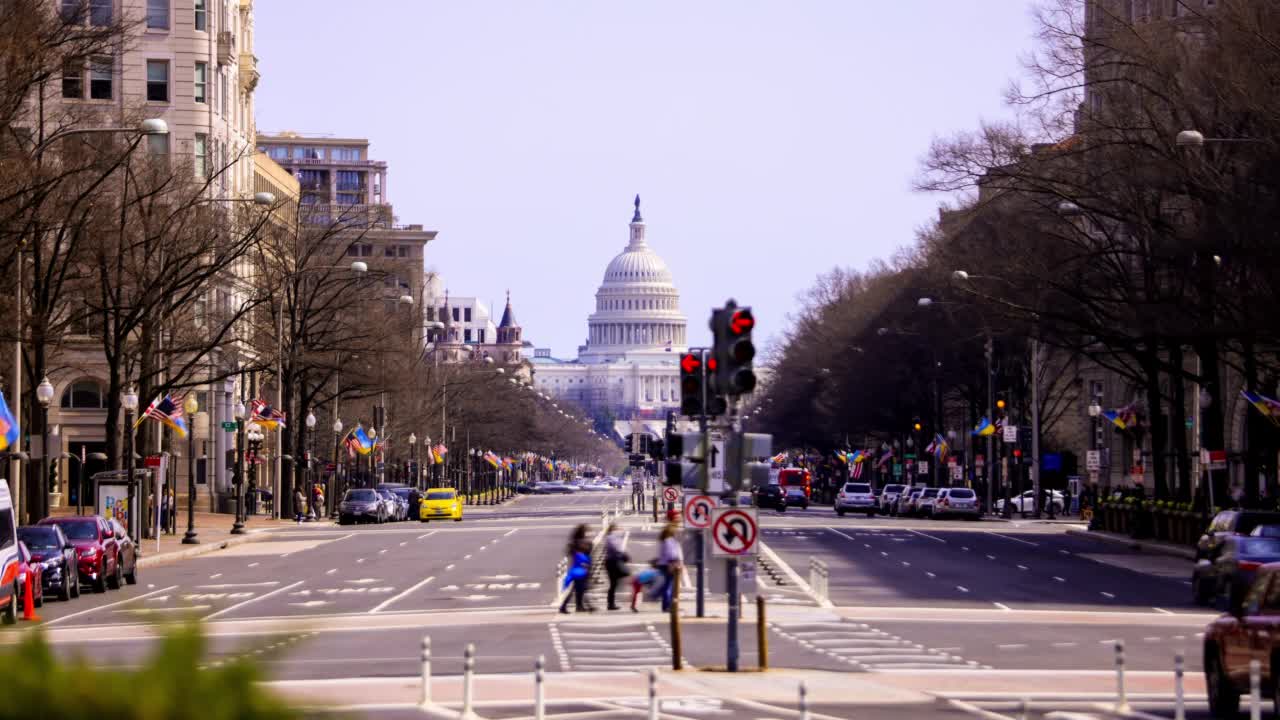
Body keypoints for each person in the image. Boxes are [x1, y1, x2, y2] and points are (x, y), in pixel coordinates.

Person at [559, 524, 593, 614]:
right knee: (578, 588)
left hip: (575, 567)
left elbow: (569, 552)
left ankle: (579, 606)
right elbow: (588, 552)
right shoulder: (583, 543)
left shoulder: (573, 542)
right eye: (588, 532)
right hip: (582, 568)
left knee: (578, 588)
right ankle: (565, 606)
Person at [656, 521, 683, 612]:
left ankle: (667, 605)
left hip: (664, 564)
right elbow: (671, 554)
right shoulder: (669, 540)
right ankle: (668, 606)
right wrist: (675, 562)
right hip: (669, 564)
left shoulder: (665, 540)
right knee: (669, 586)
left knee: (668, 586)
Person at [604, 523, 629, 610]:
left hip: (613, 561)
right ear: (613, 530)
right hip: (612, 562)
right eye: (617, 529)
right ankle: (610, 604)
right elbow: (617, 549)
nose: (619, 530)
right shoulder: (611, 537)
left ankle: (611, 603)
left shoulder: (613, 537)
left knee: (614, 583)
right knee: (613, 583)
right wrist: (623, 554)